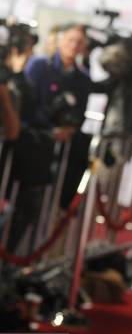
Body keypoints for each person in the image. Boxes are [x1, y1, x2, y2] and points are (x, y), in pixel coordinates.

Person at [25, 23, 92, 210]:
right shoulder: (39, 65)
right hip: (36, 139)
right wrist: (50, 129)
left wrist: (68, 130)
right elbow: (27, 104)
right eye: (70, 40)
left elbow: (80, 113)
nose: (74, 45)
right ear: (61, 41)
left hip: (65, 148)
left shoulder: (83, 78)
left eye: (79, 42)